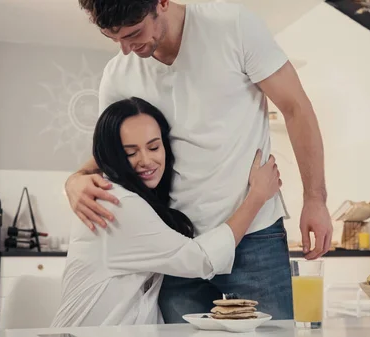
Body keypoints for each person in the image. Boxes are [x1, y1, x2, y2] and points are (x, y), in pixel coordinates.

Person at [65, 0, 333, 322]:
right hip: (175, 243)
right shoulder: (118, 73)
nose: (125, 50)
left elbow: (296, 108)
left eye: (134, 33)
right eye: (114, 39)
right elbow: (112, 149)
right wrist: (76, 178)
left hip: (254, 236)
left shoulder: (233, 26)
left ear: (161, 3)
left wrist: (315, 199)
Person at [51, 97, 281, 326]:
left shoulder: (132, 199)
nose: (146, 160)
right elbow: (200, 260)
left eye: (153, 147)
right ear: (111, 156)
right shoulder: (117, 204)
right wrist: (257, 196)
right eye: (130, 153)